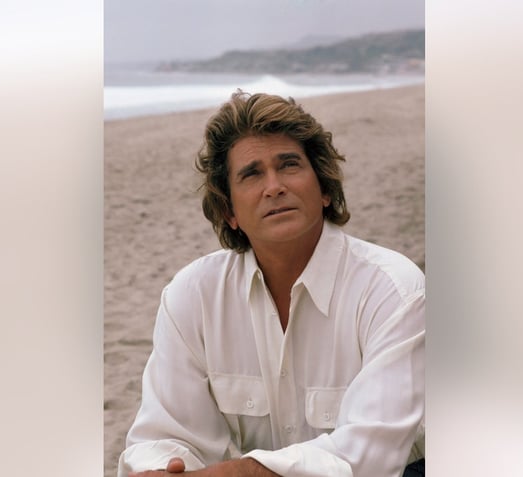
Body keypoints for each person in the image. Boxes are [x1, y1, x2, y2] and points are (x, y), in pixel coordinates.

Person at [118, 90, 425, 477]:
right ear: (229, 210)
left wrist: (237, 473)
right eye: (251, 174)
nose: (274, 186)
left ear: (325, 189)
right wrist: (163, 469)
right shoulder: (193, 296)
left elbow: (368, 456)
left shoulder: (393, 291)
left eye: (289, 165)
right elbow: (162, 435)